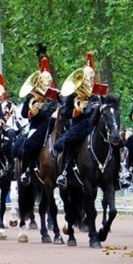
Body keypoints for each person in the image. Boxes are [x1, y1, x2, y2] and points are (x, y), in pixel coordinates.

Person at [54, 57, 101, 190]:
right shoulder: (73, 96)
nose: (89, 82)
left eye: (91, 79)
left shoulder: (96, 96)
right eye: (87, 79)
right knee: (68, 141)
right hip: (79, 125)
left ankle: (118, 174)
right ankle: (64, 173)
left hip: (94, 125)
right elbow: (66, 113)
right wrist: (77, 109)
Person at [17, 57, 59, 185]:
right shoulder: (32, 95)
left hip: (53, 125)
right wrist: (33, 110)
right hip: (37, 126)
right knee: (28, 145)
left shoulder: (55, 95)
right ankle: (25, 171)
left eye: (48, 81)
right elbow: (24, 113)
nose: (46, 84)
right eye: (44, 81)